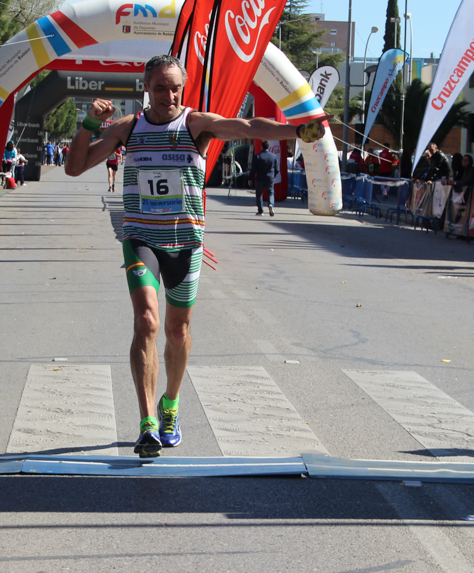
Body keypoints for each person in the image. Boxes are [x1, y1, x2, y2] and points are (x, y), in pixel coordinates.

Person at [64, 55, 328, 457]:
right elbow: (75, 167)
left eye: (174, 88)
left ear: (182, 89)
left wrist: (296, 130)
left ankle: (170, 404)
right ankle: (147, 422)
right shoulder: (127, 129)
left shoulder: (194, 124)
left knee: (177, 331)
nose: (168, 95)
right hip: (141, 239)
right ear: (145, 88)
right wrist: (88, 124)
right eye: (159, 88)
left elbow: (248, 126)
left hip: (185, 242)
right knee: (146, 321)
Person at [253, 140, 279, 216]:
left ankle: (260, 211)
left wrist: (250, 178)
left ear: (261, 147)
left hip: (260, 178)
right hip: (270, 178)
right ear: (269, 147)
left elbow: (254, 169)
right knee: (271, 193)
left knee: (259, 194)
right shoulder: (273, 157)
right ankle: (271, 204)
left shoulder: (257, 156)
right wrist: (274, 176)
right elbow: (277, 169)